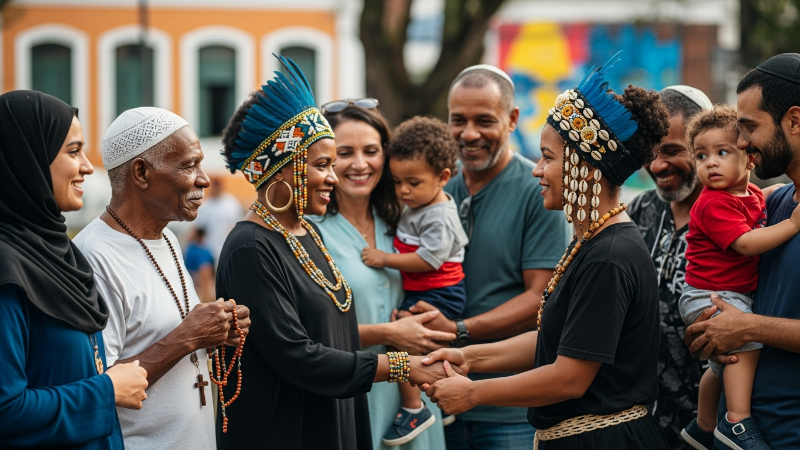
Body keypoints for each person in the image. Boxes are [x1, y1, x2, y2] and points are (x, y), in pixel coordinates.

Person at [421, 54, 671, 449]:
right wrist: (469, 358)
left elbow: (570, 377)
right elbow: (556, 341)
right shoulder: (592, 241)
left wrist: (474, 393)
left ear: (584, 168)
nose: (537, 169)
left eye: (549, 158)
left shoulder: (609, 255)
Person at [214, 55, 460, 450]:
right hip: (288, 430)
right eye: (324, 164)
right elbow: (298, 355)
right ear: (283, 170)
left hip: (337, 418)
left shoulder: (306, 232)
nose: (333, 176)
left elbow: (337, 336)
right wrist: (400, 364)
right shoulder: (250, 248)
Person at [407, 63, 568, 450]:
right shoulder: (434, 189)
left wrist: (459, 330)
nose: (469, 133)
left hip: (507, 409)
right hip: (437, 400)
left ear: (512, 119)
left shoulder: (538, 191)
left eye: (483, 120)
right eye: (457, 120)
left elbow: (539, 299)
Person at [73, 106, 251, 450]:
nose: (204, 178)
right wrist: (187, 336)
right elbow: (98, 386)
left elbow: (168, 331)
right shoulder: (93, 257)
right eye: (189, 165)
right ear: (141, 173)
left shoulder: (167, 238)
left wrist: (217, 330)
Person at [0, 90, 148, 448]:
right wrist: (106, 390)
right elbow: (6, 410)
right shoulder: (8, 269)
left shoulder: (59, 254)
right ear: (27, 157)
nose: (87, 166)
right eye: (72, 150)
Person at [310, 104, 450, 450]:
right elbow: (304, 337)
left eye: (371, 151)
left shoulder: (405, 221)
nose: (360, 164)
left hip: (416, 400)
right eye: (344, 153)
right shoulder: (310, 234)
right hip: (355, 390)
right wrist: (390, 332)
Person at [686, 53, 800, 449]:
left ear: (795, 120)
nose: (739, 141)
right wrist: (710, 329)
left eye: (749, 127)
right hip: (738, 435)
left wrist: (746, 327)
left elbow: (747, 323)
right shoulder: (777, 202)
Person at [360, 116, 468, 445]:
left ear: (443, 177)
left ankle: (413, 408)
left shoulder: (439, 215)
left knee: (401, 338)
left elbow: (429, 260)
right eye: (397, 182)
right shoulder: (418, 203)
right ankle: (436, 392)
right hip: (429, 289)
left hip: (441, 291)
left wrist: (384, 259)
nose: (404, 190)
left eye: (413, 182)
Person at [627, 85, 713, 449]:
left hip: (705, 426)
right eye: (651, 153)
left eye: (673, 151)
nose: (658, 165)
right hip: (635, 421)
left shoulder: (743, 219)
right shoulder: (634, 213)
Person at [192, 176, 243, 265]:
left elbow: (238, 225)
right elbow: (199, 228)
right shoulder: (206, 205)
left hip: (227, 247)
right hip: (209, 248)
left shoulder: (231, 203)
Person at [184, 227, 216, 302]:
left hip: (200, 276)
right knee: (205, 268)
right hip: (199, 276)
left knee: (205, 268)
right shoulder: (205, 250)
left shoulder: (192, 249)